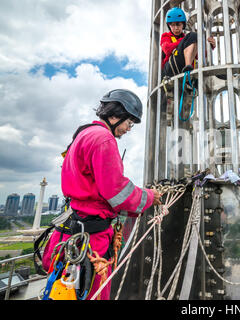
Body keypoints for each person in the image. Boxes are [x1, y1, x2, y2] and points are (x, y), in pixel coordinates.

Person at [41, 89, 162, 300]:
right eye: (129, 123)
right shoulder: (104, 140)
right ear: (116, 115)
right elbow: (116, 191)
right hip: (91, 238)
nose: (128, 129)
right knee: (93, 293)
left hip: (71, 230)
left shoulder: (83, 133)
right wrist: (150, 196)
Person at [161, 7, 216, 79]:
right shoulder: (166, 36)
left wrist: (210, 46)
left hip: (181, 68)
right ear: (169, 26)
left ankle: (188, 69)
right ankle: (188, 67)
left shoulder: (188, 39)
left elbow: (197, 55)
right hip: (170, 68)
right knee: (193, 36)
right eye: (172, 25)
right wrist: (184, 41)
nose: (175, 28)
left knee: (194, 37)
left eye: (178, 24)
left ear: (183, 25)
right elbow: (167, 48)